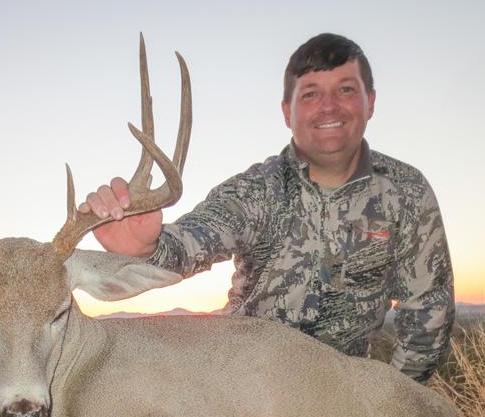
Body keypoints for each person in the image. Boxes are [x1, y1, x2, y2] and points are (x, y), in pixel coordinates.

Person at [78, 33, 454, 384]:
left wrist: (391, 405)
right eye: (309, 94)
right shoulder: (255, 190)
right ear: (286, 112)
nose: (328, 106)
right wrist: (147, 247)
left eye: (345, 89)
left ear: (369, 101)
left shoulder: (406, 192)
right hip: (244, 388)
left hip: (346, 396)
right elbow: (191, 242)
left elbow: (427, 313)